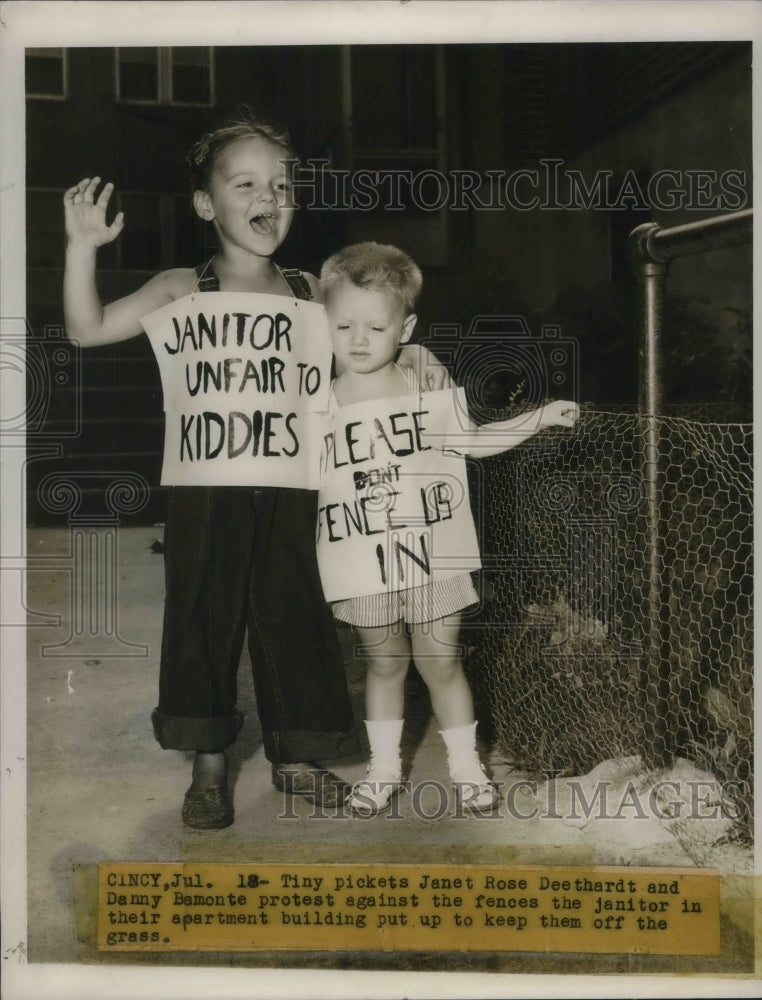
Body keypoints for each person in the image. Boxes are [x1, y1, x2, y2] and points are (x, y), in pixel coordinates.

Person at [62, 109, 447, 829]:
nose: (267, 197)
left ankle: (296, 754)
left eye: (281, 184)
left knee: (293, 617)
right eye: (245, 184)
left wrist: (417, 362)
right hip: (202, 490)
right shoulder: (183, 287)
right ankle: (209, 762)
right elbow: (86, 331)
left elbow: (371, 343)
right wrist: (82, 248)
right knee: (203, 620)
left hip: (297, 485)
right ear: (206, 204)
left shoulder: (311, 292)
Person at [318, 242, 579, 816]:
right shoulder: (317, 401)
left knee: (441, 661)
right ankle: (384, 768)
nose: (358, 338)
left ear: (405, 328)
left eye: (376, 326)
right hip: (364, 559)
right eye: (343, 325)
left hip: (432, 552)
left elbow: (473, 444)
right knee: (383, 664)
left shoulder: (424, 386)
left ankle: (467, 768)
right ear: (323, 324)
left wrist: (537, 417)